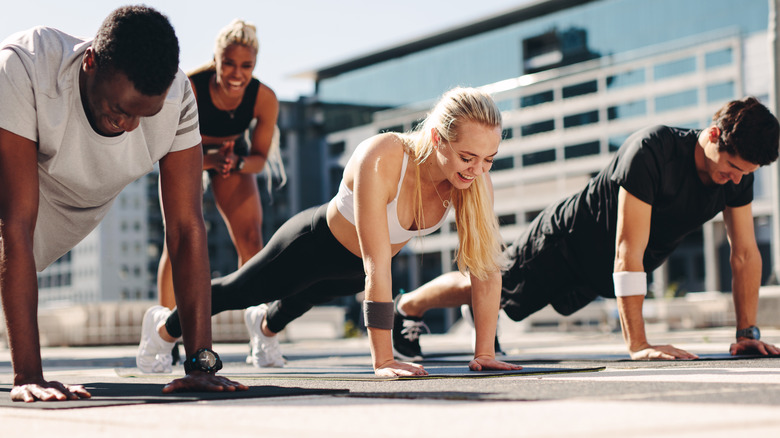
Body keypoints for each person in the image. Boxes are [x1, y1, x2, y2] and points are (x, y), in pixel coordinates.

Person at [137, 86, 523, 376]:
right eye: (467, 157)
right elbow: (378, 264)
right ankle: (162, 329)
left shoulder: (473, 182)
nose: (477, 169)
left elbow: (486, 270)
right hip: (312, 245)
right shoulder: (384, 157)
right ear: (438, 138)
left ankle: (264, 327)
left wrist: (484, 353)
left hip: (353, 274)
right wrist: (383, 359)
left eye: (488, 159)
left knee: (301, 301)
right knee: (241, 290)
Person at [393, 96, 780, 361]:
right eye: (732, 168)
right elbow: (629, 246)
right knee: (493, 284)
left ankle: (482, 315)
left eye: (744, 174)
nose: (734, 181)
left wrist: (748, 333)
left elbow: (744, 253)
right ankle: (408, 307)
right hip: (565, 243)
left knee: (500, 303)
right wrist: (639, 344)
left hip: (603, 269)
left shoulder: (736, 176)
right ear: (713, 135)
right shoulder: (653, 151)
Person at [0, 5, 246, 402]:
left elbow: (186, 228)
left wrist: (201, 364)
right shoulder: (27, 66)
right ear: (91, 62)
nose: (130, 125)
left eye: (142, 115)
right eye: (120, 109)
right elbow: (14, 222)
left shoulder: (177, 97)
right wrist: (29, 374)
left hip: (42, 232)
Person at [157, 18, 284, 311]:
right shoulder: (190, 86)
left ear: (254, 65)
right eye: (228, 63)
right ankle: (165, 333)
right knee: (176, 239)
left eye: (246, 66)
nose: (237, 74)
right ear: (215, 59)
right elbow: (166, 146)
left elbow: (259, 161)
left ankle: (258, 330)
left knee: (252, 238)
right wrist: (209, 158)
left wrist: (235, 162)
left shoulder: (264, 98)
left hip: (232, 156)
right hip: (185, 151)